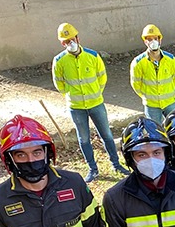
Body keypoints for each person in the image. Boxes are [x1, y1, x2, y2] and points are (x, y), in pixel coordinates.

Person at [51, 22, 129, 182]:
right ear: (62, 43)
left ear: (78, 38)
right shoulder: (59, 61)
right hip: (76, 107)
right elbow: (59, 84)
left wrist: (95, 92)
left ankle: (116, 164)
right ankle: (93, 169)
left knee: (106, 135)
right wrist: (73, 92)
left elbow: (102, 77)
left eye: (72, 39)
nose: (70, 43)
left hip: (96, 103)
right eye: (66, 41)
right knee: (84, 139)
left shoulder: (92, 56)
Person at [129, 24, 175, 125]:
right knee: (155, 131)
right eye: (149, 39)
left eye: (155, 38)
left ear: (160, 40)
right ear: (145, 42)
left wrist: (168, 92)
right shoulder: (138, 63)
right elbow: (136, 84)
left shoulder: (170, 59)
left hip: (170, 102)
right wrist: (147, 96)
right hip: (151, 105)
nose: (153, 42)